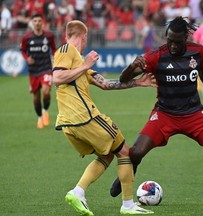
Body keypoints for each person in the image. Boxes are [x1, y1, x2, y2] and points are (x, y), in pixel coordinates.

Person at [109, 16, 203, 214]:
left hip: (194, 115)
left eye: (177, 42)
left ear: (186, 38)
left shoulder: (198, 51)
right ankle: (124, 177)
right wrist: (131, 66)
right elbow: (124, 78)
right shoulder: (156, 56)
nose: (172, 45)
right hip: (164, 115)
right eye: (169, 40)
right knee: (135, 152)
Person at [52, 20, 155, 215]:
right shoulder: (66, 50)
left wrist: (137, 83)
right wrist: (86, 65)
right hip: (85, 116)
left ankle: (78, 192)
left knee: (107, 154)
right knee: (125, 151)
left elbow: (106, 84)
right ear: (84, 36)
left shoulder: (80, 62)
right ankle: (128, 205)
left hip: (70, 122)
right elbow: (57, 78)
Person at [20, 14, 56, 128]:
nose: (37, 23)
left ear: (42, 23)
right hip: (33, 70)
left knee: (46, 92)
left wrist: (55, 59)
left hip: (46, 68)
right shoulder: (27, 38)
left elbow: (54, 49)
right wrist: (27, 58)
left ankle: (45, 111)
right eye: (35, 21)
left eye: (39, 21)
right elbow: (23, 50)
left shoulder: (49, 36)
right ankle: (40, 118)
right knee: (36, 97)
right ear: (32, 23)